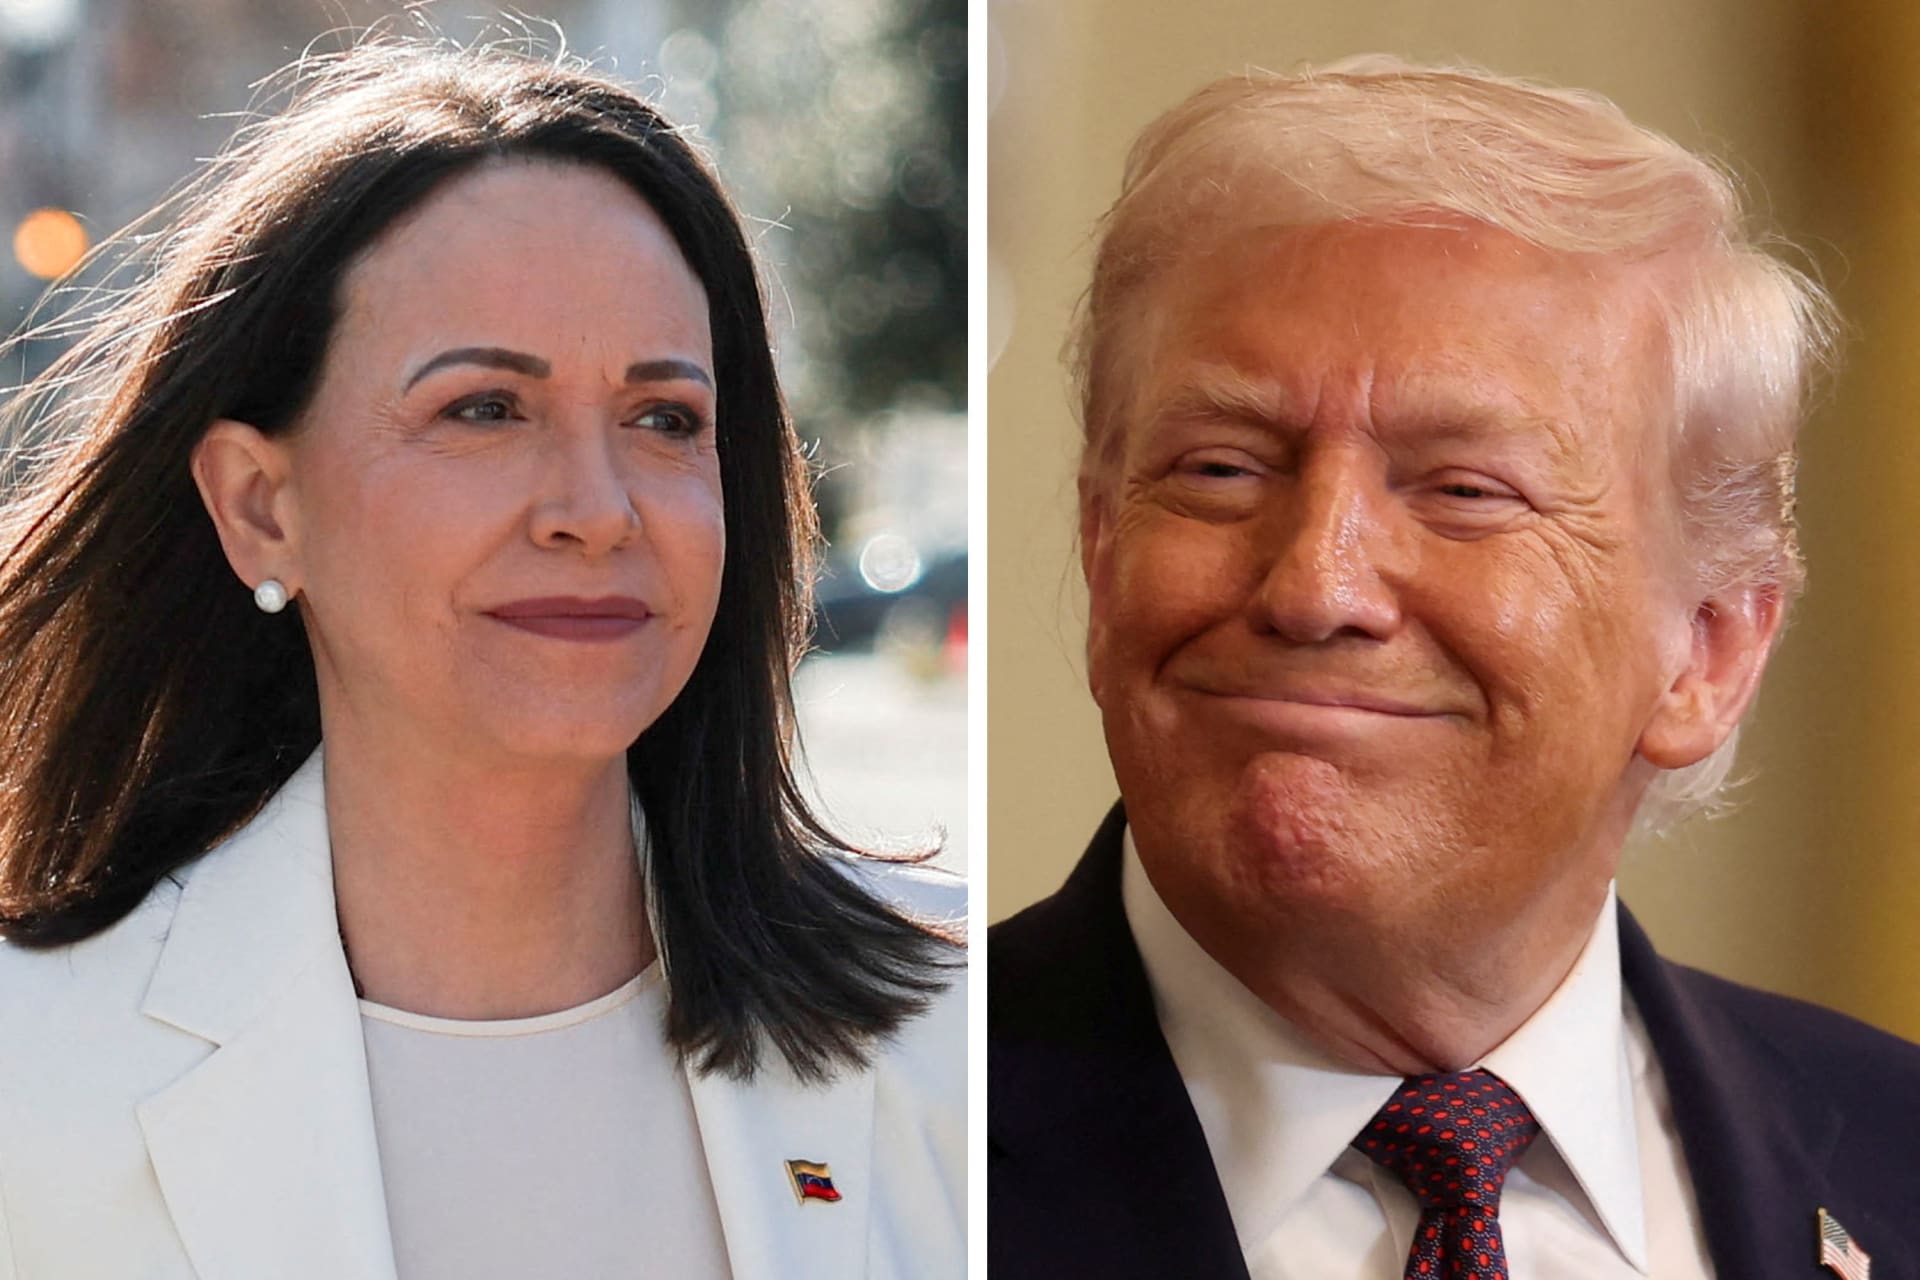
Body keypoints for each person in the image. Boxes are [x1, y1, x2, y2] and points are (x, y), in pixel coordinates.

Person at [0, 38, 963, 1280]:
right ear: (259, 504)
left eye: (664, 418)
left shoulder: (961, 1044)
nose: (596, 507)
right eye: (484, 409)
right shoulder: (33, 1072)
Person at [990, 55, 1920, 1279]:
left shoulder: (1893, 1155)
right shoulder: (891, 1132)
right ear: (1102, 547)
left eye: (1465, 492)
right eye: (1222, 468)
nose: (1315, 585)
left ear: (1709, 648)